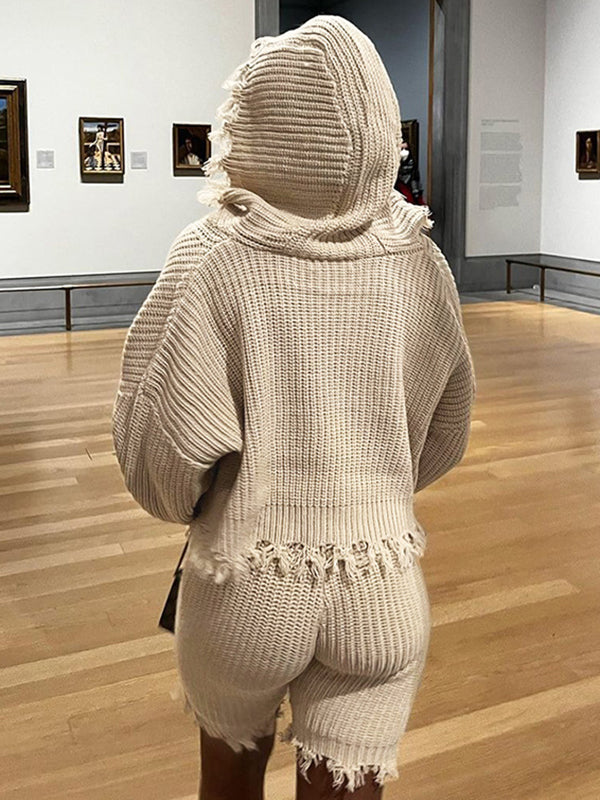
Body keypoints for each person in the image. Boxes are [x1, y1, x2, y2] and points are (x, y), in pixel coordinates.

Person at [112, 14, 476, 800]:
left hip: (244, 583)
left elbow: (158, 462)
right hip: (380, 579)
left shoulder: (212, 255)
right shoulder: (419, 257)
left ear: (254, 122)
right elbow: (446, 434)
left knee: (229, 782)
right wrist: (374, 481)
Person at [394, 138, 424, 204]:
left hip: (410, 192)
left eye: (406, 149)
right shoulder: (394, 166)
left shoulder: (412, 164)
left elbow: (415, 182)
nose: (404, 152)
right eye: (402, 149)